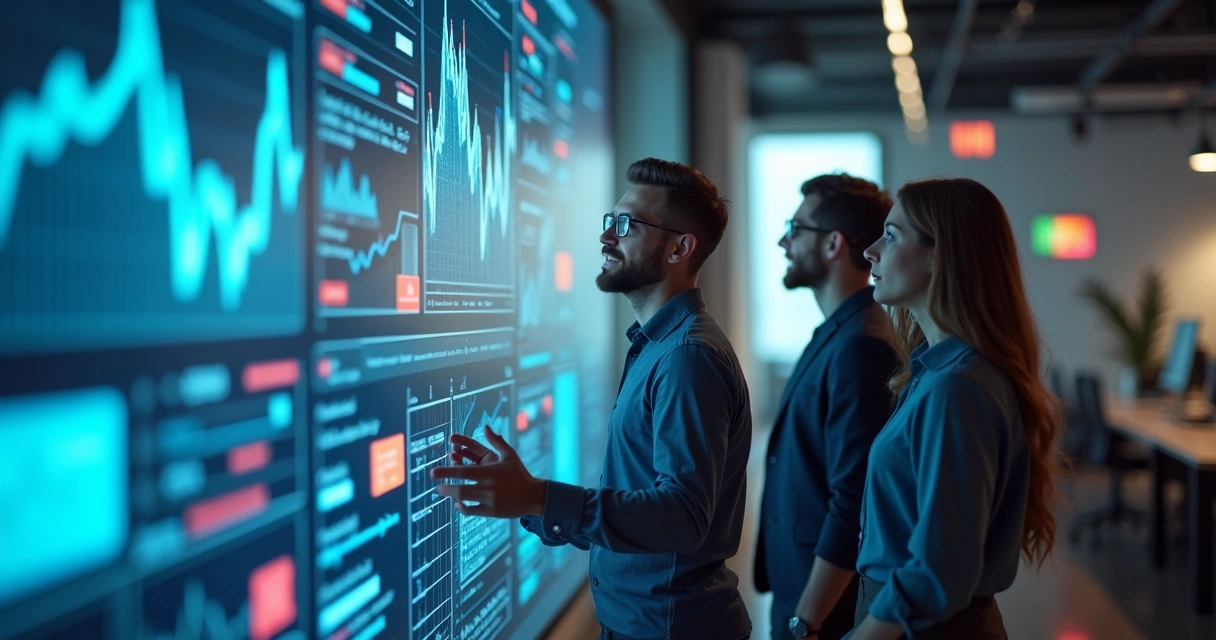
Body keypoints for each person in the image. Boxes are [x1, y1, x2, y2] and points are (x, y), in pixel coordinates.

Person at [432, 158, 753, 640]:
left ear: (679, 248)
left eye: (625, 225)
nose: (607, 237)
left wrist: (540, 496)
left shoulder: (687, 357)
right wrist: (530, 501)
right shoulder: (658, 346)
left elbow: (683, 517)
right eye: (609, 221)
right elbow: (643, 514)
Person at [848, 178, 1064, 639]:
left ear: (941, 253)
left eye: (891, 235)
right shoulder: (934, 372)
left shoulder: (958, 387)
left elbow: (939, 567)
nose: (870, 251)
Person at [755, 175, 897, 640]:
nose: (783, 240)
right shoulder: (841, 332)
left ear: (834, 243)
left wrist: (807, 618)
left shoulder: (860, 345)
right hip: (804, 589)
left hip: (823, 610)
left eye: (795, 229)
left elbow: (852, 498)